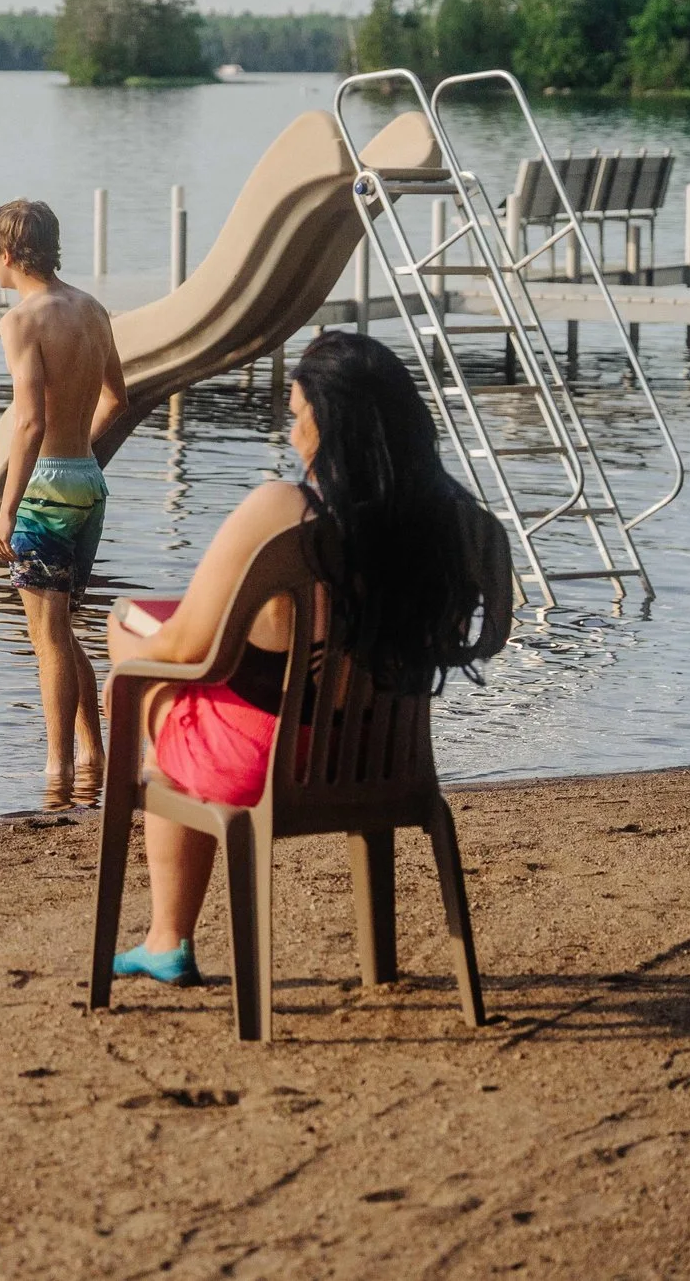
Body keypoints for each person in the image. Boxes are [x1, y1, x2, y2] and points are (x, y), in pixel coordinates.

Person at [105, 330, 495, 986]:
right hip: (386, 758)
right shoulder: (454, 518)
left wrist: (126, 648)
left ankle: (167, 937)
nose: (291, 435)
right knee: (195, 672)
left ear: (328, 421)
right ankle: (167, 937)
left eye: (296, 415)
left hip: (270, 765)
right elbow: (485, 634)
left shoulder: (284, 510)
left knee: (141, 659)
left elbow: (185, 647)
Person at [0, 199, 128, 810]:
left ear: (9, 253)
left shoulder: (23, 321)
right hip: (88, 483)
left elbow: (28, 420)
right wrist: (79, 463)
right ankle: (94, 755)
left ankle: (56, 770)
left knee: (45, 638)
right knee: (65, 630)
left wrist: (8, 507)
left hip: (44, 488)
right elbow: (118, 398)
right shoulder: (91, 309)